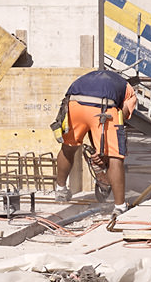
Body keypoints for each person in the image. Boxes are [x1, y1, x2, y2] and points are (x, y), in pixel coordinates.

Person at [56, 63, 137, 221]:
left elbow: (95, 131)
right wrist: (106, 154)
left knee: (68, 147)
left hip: (73, 104)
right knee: (116, 156)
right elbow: (121, 119)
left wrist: (98, 150)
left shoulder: (91, 77)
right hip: (103, 107)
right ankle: (120, 206)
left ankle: (60, 190)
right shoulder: (129, 90)